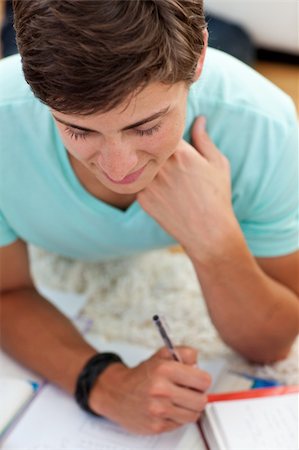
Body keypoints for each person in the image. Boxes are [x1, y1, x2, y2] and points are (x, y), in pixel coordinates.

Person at [0, 0, 298, 436]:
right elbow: (5, 293)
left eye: (146, 126)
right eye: (78, 130)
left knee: (236, 42)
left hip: (216, 70)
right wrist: (105, 383)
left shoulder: (262, 124)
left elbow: (272, 344)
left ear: (198, 61)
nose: (121, 170)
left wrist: (215, 240)